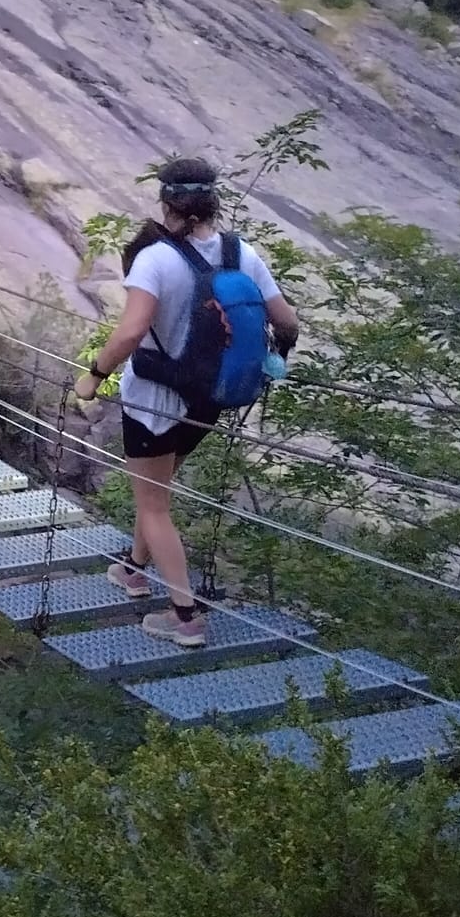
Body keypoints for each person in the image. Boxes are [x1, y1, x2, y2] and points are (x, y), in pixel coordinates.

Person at [74, 157, 300, 649]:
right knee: (155, 486)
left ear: (166, 203)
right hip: (207, 401)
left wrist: (94, 376)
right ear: (213, 202)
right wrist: (273, 361)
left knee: (153, 504)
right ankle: (134, 570)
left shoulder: (156, 258)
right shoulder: (242, 253)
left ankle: (185, 617)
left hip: (155, 403)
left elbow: (131, 331)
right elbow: (288, 323)